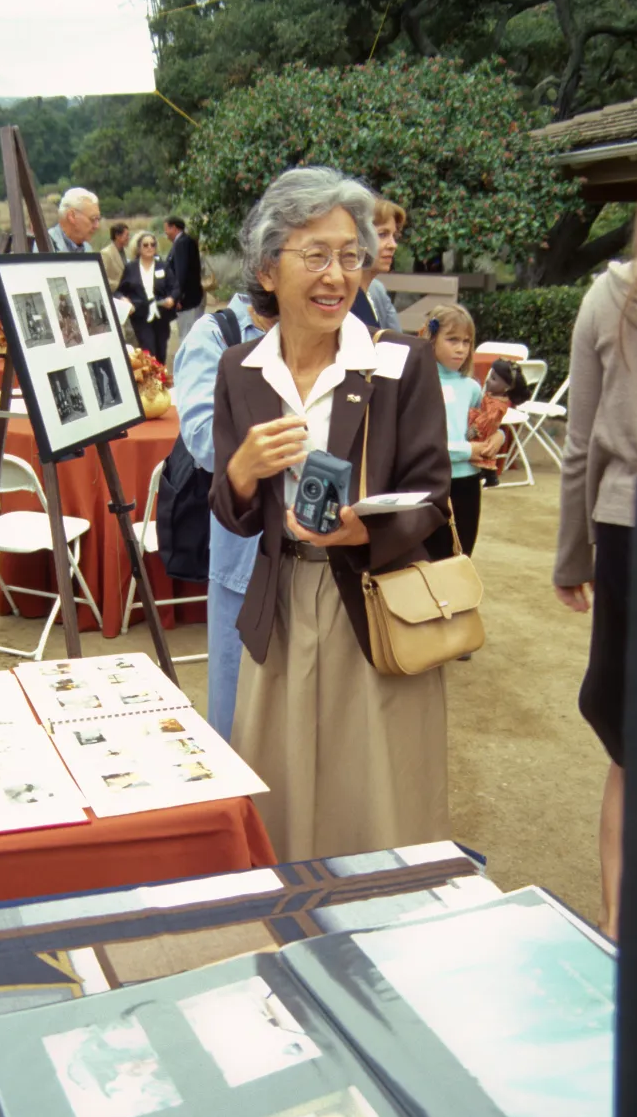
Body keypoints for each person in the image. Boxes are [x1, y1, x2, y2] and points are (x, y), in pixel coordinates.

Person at [210, 165, 452, 861]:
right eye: (314, 255)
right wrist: (242, 470)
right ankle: (290, 930)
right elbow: (229, 512)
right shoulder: (240, 369)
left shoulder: (399, 363)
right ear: (267, 266)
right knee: (280, 788)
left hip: (373, 602)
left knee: (378, 795)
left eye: (350, 255)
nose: (336, 276)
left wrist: (365, 531)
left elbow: (433, 497)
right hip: (281, 603)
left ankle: (382, 932)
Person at [553, 138, 637, 941]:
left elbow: (580, 443)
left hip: (635, 530)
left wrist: (571, 556)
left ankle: (622, 929)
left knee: (633, 754)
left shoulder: (612, 296)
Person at [174, 295, 273, 738]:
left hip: (321, 549)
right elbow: (204, 440)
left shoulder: (328, 327)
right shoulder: (216, 335)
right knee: (234, 707)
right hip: (243, 551)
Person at [421, 303, 503, 559]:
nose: (460, 348)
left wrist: (498, 438)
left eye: (466, 341)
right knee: (429, 558)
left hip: (468, 483)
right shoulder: (420, 382)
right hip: (431, 482)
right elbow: (423, 444)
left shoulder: (471, 387)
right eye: (452, 339)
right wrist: (468, 450)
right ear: (431, 337)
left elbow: (485, 428)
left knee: (461, 554)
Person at [116, 232, 178, 364]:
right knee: (148, 351)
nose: (149, 247)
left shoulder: (163, 266)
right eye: (145, 245)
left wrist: (172, 298)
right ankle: (152, 381)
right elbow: (119, 291)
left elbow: (175, 288)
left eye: (152, 244)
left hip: (162, 315)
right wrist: (124, 300)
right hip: (141, 315)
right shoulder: (131, 268)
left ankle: (160, 381)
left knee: (161, 352)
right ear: (138, 248)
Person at [469, 360, 531, 487]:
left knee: (485, 451)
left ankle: (490, 476)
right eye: (490, 376)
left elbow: (487, 418)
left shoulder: (497, 405)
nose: (488, 381)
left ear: (507, 387)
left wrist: (475, 428)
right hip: (483, 425)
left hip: (484, 429)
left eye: (493, 378)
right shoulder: (492, 397)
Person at [361, 197, 406, 330]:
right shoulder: (342, 297)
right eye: (382, 235)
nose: (393, 245)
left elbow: (396, 342)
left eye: (394, 236)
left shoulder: (376, 291)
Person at [164, 216, 204, 342]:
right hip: (192, 297)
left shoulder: (181, 243)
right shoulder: (186, 241)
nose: (165, 233)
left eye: (166, 229)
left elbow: (181, 273)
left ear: (174, 228)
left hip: (187, 299)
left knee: (187, 336)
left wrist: (178, 297)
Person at [49, 189, 101, 253]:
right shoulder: (43, 246)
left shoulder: (88, 249)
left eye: (98, 219)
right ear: (72, 216)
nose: (97, 226)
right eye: (93, 219)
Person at [101, 223, 129, 289]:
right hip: (114, 293)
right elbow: (103, 278)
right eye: (126, 235)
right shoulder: (106, 253)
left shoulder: (127, 252)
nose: (128, 238)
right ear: (117, 236)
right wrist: (120, 285)